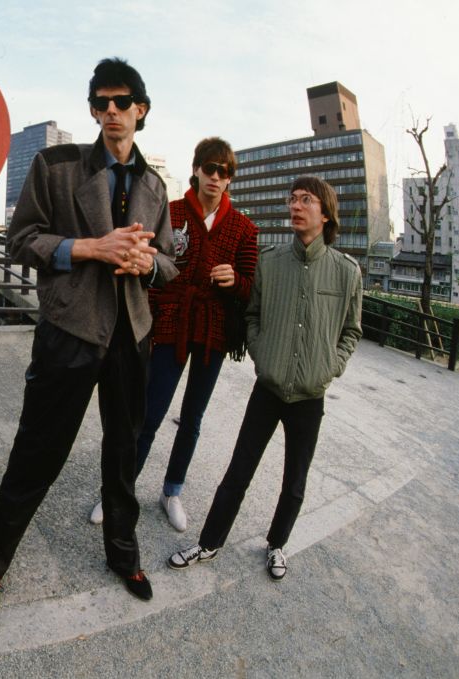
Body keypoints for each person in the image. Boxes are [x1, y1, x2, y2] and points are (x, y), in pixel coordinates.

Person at [0, 58, 178, 615]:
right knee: (37, 451)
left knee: (124, 452)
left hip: (132, 335)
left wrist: (147, 263)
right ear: (92, 110)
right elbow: (21, 240)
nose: (111, 111)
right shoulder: (56, 165)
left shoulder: (156, 186)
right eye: (101, 102)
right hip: (70, 329)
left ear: (141, 110)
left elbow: (171, 263)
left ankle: (122, 553)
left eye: (122, 101)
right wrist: (90, 248)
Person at [168, 175, 362, 580]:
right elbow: (251, 315)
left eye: (305, 200)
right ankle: (209, 542)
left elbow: (351, 331)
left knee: (295, 480)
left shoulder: (346, 273)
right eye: (291, 199)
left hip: (311, 395)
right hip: (268, 387)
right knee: (239, 470)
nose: (295, 206)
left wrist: (330, 367)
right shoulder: (270, 262)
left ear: (325, 213)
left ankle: (277, 545)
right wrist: (262, 355)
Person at [88, 138, 258, 531]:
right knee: (148, 411)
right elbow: (149, 263)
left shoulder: (245, 228)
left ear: (230, 179)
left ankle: (172, 491)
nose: (216, 177)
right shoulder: (172, 211)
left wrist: (234, 280)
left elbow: (251, 288)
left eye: (224, 172)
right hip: (168, 326)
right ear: (196, 168)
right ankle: (117, 491)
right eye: (210, 168)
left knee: (193, 417)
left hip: (213, 332)